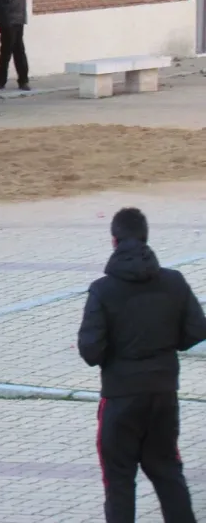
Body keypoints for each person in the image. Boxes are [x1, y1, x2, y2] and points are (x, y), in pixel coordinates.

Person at [78, 207, 206, 523]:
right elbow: (197, 329)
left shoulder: (103, 289)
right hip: (163, 394)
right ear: (147, 237)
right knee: (167, 472)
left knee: (119, 480)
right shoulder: (174, 282)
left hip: (120, 397)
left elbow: (90, 350)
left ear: (114, 240)